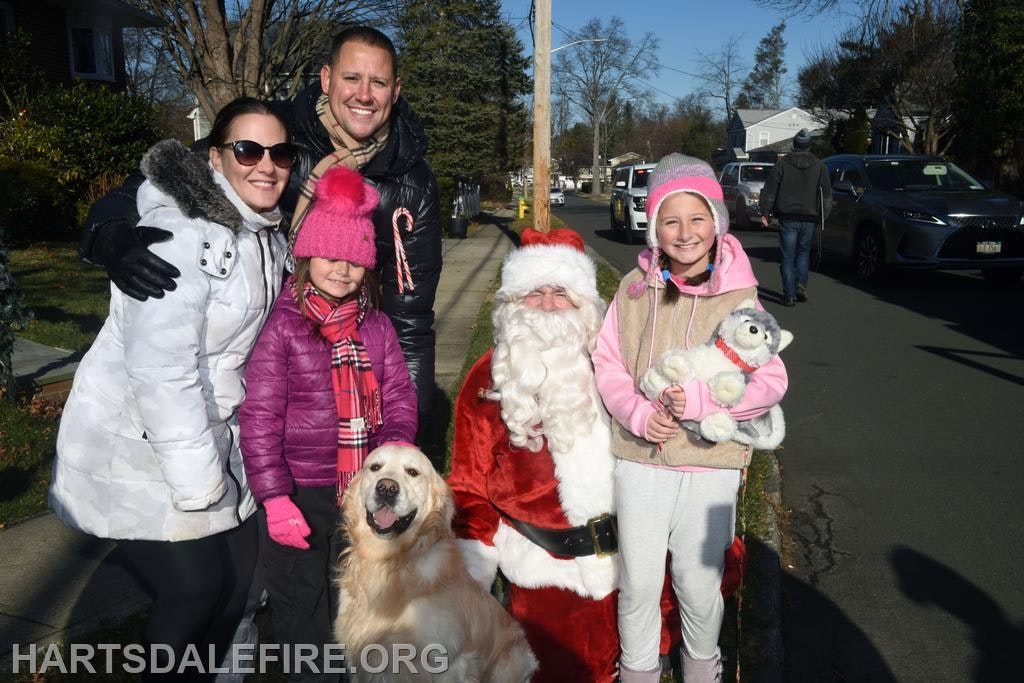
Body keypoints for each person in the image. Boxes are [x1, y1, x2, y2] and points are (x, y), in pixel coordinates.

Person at [78, 25, 441, 423]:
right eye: (352, 78)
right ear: (326, 79)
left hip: (338, 368)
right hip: (244, 352)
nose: (364, 95)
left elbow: (410, 319)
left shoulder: (412, 185)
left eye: (379, 82)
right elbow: (165, 176)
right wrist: (109, 232)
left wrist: (408, 428)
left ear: (396, 89)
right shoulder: (272, 135)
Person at [49, 97, 294, 678]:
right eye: (247, 150)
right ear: (214, 158)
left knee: (236, 586)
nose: (266, 165)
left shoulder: (265, 236)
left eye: (279, 152)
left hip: (212, 433)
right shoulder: (177, 235)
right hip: (139, 441)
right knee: (194, 590)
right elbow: (162, 372)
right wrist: (199, 483)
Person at [447, 228, 678, 682]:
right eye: (535, 293)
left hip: (631, 567)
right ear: (513, 303)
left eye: (562, 294)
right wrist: (470, 576)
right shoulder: (487, 378)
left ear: (586, 306)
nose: (549, 305)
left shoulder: (617, 368)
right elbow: (469, 487)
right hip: (543, 578)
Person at [593, 154, 789, 683]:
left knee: (698, 582)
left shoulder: (740, 296)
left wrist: (705, 406)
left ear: (718, 222)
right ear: (654, 226)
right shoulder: (634, 294)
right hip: (641, 461)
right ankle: (637, 670)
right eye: (671, 221)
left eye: (697, 218)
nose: (685, 233)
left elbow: (771, 382)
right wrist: (636, 412)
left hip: (710, 465)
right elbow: (608, 361)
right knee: (637, 580)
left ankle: (703, 667)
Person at [238, 166, 418, 682]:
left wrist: (394, 456)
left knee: (358, 599)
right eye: (330, 256)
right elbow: (260, 418)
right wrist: (274, 499)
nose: (341, 269)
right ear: (307, 256)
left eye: (355, 260)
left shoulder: (377, 327)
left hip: (362, 493)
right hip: (301, 494)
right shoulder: (283, 327)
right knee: (302, 606)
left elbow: (399, 396)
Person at [758, 128, 832, 306]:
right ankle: (801, 284)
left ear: (794, 145)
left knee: (787, 255)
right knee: (803, 252)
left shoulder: (782, 164)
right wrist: (823, 216)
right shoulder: (819, 166)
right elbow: (827, 195)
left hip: (788, 216)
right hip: (810, 216)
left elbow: (770, 190)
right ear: (809, 145)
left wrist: (765, 213)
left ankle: (789, 294)